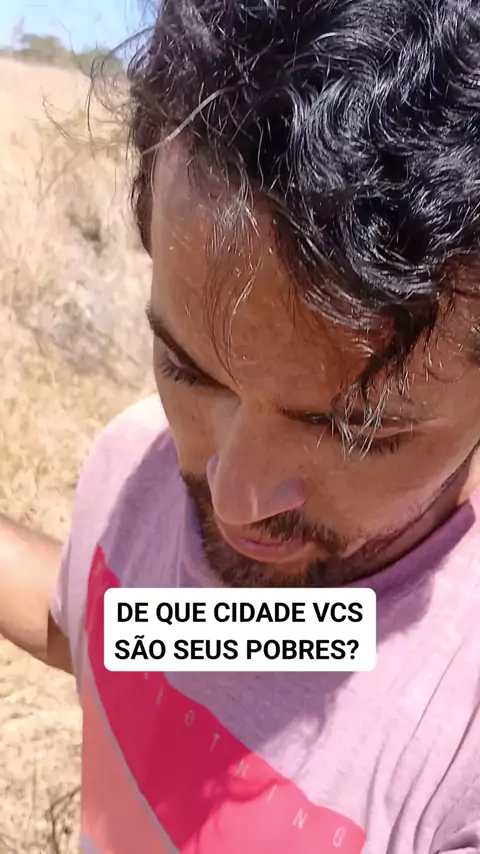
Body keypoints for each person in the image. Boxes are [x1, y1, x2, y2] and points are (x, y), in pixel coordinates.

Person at [2, 0, 480, 851]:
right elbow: (131, 636)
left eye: (356, 433)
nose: (235, 499)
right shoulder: (136, 466)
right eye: (189, 371)